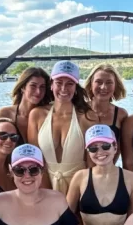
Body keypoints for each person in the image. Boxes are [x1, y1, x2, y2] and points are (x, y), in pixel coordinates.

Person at [28, 60, 97, 195]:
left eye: (70, 84)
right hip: (43, 185)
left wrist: (83, 196)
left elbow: (91, 163)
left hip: (79, 187)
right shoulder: (37, 115)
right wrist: (47, 194)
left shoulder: (87, 117)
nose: (64, 89)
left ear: (76, 87)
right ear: (51, 85)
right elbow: (35, 160)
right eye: (59, 83)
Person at [0, 67, 53, 143]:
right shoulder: (4, 114)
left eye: (42, 87)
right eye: (33, 86)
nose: (38, 91)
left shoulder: (47, 116)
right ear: (23, 87)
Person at [84, 64, 128, 160]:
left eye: (109, 82)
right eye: (98, 82)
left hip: (107, 171)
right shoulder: (80, 110)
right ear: (91, 84)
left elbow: (121, 149)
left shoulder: (121, 115)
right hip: (81, 171)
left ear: (115, 86)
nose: (103, 87)